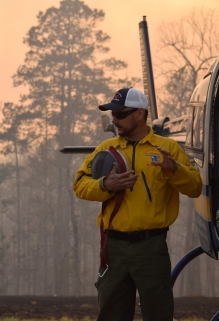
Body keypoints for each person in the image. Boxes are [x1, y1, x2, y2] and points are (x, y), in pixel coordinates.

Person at [73, 87, 203, 321]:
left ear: (140, 114)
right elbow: (79, 185)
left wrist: (175, 170)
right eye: (113, 115)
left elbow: (195, 188)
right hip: (113, 248)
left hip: (151, 248)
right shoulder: (106, 150)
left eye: (121, 114)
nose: (114, 120)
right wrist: (105, 185)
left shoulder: (168, 149)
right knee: (111, 314)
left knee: (158, 314)